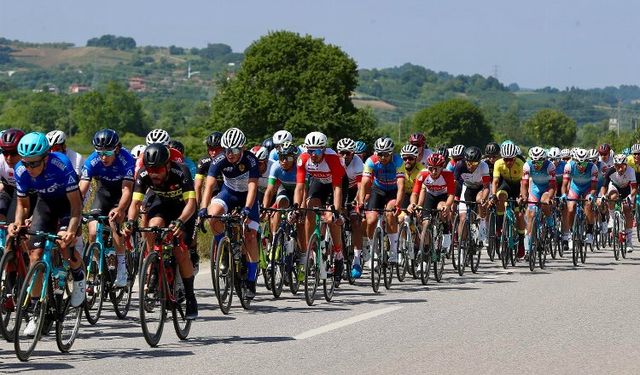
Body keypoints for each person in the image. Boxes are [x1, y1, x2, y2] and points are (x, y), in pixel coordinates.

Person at [8, 132, 85, 336]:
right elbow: (23, 205)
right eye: (26, 163)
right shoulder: (21, 170)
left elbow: (76, 206)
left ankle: (79, 276)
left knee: (63, 244)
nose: (29, 168)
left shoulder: (62, 165)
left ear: (45, 157)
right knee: (34, 256)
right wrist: (17, 222)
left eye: (34, 163)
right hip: (45, 206)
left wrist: (70, 231)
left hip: (68, 206)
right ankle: (35, 311)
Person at [124, 143, 198, 319]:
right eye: (150, 169)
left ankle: (190, 296)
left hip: (183, 210)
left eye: (157, 169)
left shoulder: (181, 171)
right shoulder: (143, 173)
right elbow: (135, 204)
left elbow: (191, 204)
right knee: (152, 225)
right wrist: (129, 222)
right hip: (162, 205)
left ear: (167, 165)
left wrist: (180, 221)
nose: (154, 173)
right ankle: (155, 263)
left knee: (181, 251)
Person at [199, 128, 261, 299]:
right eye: (226, 150)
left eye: (234, 150)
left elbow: (253, 187)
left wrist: (247, 208)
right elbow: (209, 186)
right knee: (213, 216)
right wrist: (203, 209)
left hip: (247, 197)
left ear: (242, 148)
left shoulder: (251, 160)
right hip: (229, 193)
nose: (230, 154)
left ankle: (250, 281)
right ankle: (224, 249)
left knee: (250, 235)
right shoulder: (219, 159)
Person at [79, 129, 135, 287]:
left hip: (122, 193)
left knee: (113, 221)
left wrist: (121, 209)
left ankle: (122, 267)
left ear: (116, 148)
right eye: (99, 152)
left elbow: (127, 190)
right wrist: (74, 209)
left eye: (108, 152)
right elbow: (81, 189)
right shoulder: (92, 161)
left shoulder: (126, 159)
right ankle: (99, 264)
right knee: (92, 230)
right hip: (104, 193)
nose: (103, 157)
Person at [293, 131, 346, 282]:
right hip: (318, 183)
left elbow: (337, 189)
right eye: (310, 150)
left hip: (335, 185)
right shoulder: (303, 159)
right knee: (310, 210)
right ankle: (310, 250)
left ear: (323, 149)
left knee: (331, 217)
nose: (313, 154)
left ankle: (338, 254)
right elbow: (300, 187)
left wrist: (336, 211)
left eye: (316, 151)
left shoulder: (333, 159)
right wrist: (297, 207)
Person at [358, 137, 404, 264]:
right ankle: (373, 250)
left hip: (393, 191)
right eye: (380, 154)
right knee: (371, 220)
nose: (383, 157)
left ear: (391, 153)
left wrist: (398, 204)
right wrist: (361, 202)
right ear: (375, 153)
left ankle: (394, 252)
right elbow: (365, 183)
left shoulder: (398, 161)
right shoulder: (371, 161)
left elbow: (401, 185)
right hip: (378, 189)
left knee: (390, 214)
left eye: (386, 154)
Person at [336, 138, 365, 278]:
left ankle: (357, 260)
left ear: (353, 153)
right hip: (339, 190)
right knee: (334, 219)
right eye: (342, 153)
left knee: (355, 220)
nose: (345, 156)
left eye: (348, 153)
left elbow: (361, 187)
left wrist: (357, 202)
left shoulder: (358, 162)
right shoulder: (335, 161)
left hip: (354, 191)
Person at [491, 142, 526, 258]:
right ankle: (499, 227)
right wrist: (493, 195)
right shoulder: (498, 163)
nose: (509, 162)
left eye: (511, 159)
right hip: (505, 185)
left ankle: (521, 243)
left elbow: (523, 183)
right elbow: (495, 182)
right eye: (506, 160)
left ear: (515, 157)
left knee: (519, 215)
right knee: (500, 197)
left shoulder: (521, 164)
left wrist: (522, 196)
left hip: (517, 187)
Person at [521, 147, 556, 257]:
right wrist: (525, 196)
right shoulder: (527, 165)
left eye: (539, 161)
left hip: (547, 188)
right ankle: (528, 248)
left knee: (545, 203)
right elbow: (525, 184)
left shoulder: (550, 166)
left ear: (544, 160)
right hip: (535, 188)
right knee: (531, 213)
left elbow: (552, 185)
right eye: (534, 161)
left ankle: (550, 225)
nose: (536, 164)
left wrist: (550, 197)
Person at [560, 148, 598, 250]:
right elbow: (565, 184)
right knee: (571, 208)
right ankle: (571, 233)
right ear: (575, 162)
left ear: (588, 162)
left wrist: (591, 195)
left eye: (584, 164)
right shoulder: (569, 166)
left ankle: (589, 232)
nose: (581, 167)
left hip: (587, 188)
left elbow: (594, 187)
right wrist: (564, 194)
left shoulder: (593, 167)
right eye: (579, 164)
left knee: (589, 204)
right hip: (575, 188)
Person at [598, 153, 636, 250]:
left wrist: (630, 197)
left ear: (626, 165)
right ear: (614, 166)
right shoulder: (610, 171)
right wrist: (602, 195)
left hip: (627, 190)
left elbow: (634, 188)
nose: (620, 169)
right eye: (617, 166)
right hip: (614, 187)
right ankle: (611, 217)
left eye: (622, 166)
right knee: (613, 197)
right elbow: (604, 186)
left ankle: (629, 241)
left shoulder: (631, 171)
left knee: (628, 210)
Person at [453, 146, 490, 244]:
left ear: (479, 162)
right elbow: (455, 184)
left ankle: (482, 224)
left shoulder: (484, 166)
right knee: (463, 217)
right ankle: (462, 243)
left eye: (474, 163)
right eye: (468, 162)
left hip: (480, 187)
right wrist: (454, 198)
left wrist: (484, 199)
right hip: (467, 187)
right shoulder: (460, 165)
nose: (471, 165)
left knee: (479, 200)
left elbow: (486, 187)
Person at [0, 129, 27, 222]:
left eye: (14, 153)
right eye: (5, 152)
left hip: (28, 195)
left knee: (12, 223)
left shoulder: (31, 164)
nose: (9, 158)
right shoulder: (1, 161)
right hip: (9, 191)